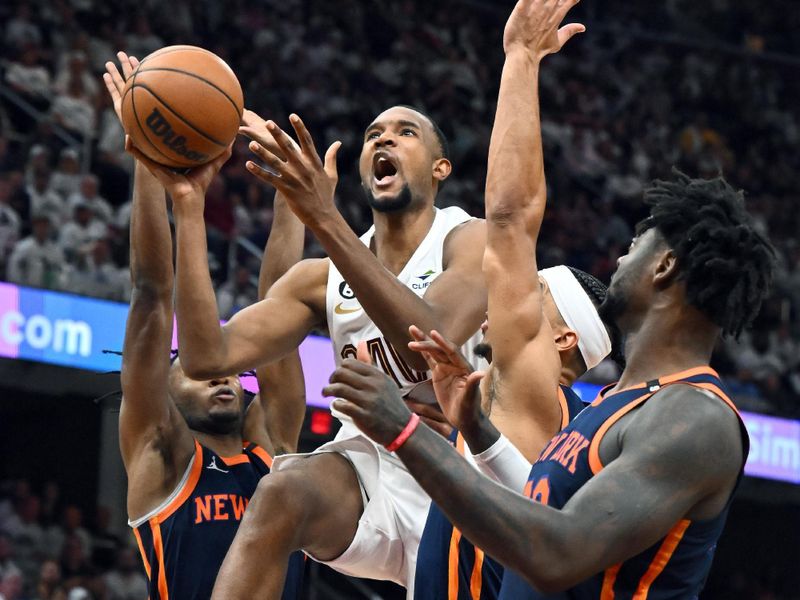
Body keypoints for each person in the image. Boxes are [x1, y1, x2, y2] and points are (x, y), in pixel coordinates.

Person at [126, 97, 490, 598]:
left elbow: (428, 344)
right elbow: (206, 355)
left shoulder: (468, 238)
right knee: (282, 489)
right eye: (373, 133)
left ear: (440, 167)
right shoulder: (321, 278)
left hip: (463, 476)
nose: (384, 139)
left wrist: (322, 218)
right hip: (367, 471)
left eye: (406, 133)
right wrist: (191, 207)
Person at [103, 53, 306, 600]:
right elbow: (150, 295)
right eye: (190, 373)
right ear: (163, 393)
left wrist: (292, 195)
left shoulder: (273, 445)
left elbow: (283, 304)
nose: (223, 379)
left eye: (232, 377)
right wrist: (150, 161)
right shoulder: (161, 455)